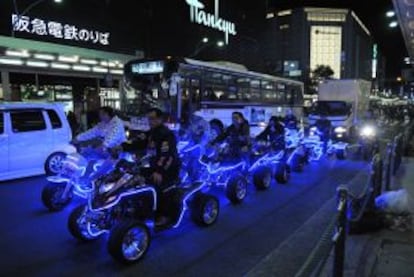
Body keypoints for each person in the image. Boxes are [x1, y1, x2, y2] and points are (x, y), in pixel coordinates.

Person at [140, 108, 181, 226]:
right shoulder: (152, 132)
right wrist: (122, 147)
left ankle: (165, 216)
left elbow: (167, 155)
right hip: (154, 165)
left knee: (160, 188)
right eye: (148, 119)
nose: (150, 121)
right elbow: (139, 142)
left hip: (168, 168)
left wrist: (159, 171)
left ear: (160, 119)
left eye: (152, 119)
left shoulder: (166, 134)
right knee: (135, 180)